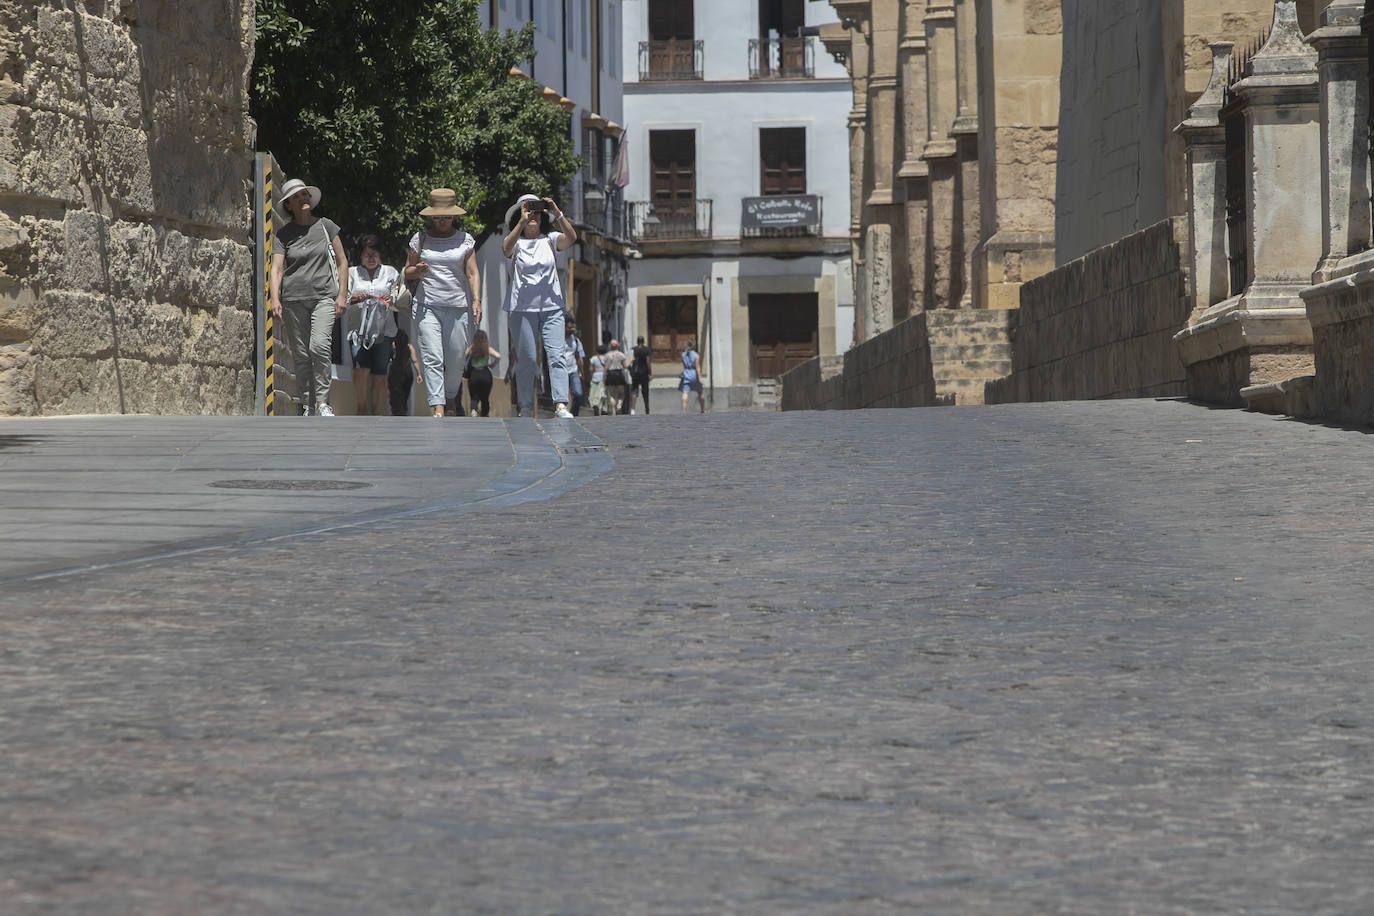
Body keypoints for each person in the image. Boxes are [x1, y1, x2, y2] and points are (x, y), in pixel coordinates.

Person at [270, 177, 348, 417]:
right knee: (302, 354)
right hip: (293, 300)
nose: (303, 199)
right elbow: (277, 269)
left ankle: (323, 402)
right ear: (289, 205)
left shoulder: (326, 226)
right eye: (296, 197)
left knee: (319, 346)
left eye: (304, 194)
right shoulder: (284, 235)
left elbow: (342, 261)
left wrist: (342, 295)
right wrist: (275, 299)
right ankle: (307, 404)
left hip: (323, 297)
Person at [406, 188, 481, 418]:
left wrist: (476, 300)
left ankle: (450, 398)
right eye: (438, 217)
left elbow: (472, 273)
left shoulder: (465, 240)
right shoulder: (420, 239)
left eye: (447, 217)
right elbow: (407, 272)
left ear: (454, 216)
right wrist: (417, 269)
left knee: (457, 358)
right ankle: (437, 405)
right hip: (427, 305)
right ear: (431, 216)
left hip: (458, 307)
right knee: (432, 356)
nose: (442, 221)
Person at [502, 193, 575, 419]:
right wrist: (522, 222)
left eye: (536, 211)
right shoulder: (516, 242)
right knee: (527, 358)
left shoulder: (550, 240)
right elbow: (506, 249)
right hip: (521, 309)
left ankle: (561, 403)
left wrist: (557, 212)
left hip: (551, 307)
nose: (533, 215)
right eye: (528, 210)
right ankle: (524, 407)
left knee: (556, 355)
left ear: (542, 216)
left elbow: (571, 237)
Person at [346, 234, 399, 415]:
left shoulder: (391, 272)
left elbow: (400, 299)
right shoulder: (351, 273)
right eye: (367, 254)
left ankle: (376, 412)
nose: (371, 258)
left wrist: (390, 299)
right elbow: (341, 298)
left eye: (374, 254)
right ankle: (361, 409)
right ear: (361, 255)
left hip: (384, 331)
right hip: (357, 331)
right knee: (360, 368)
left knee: (380, 372)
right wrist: (354, 298)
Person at [463, 329, 502, 417]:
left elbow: (464, 355)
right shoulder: (487, 348)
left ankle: (473, 411)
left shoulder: (472, 348)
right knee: (485, 398)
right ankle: (484, 414)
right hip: (485, 374)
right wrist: (492, 365)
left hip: (474, 374)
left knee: (474, 396)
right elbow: (498, 356)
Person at [388, 325, 420, 416]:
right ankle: (403, 409)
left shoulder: (394, 347)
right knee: (405, 393)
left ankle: (397, 410)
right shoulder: (409, 347)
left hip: (395, 371)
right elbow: (415, 360)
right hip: (407, 371)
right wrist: (418, 374)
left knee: (395, 392)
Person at [603, 338, 631, 415]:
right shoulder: (621, 354)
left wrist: (604, 378)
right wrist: (631, 361)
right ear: (618, 345)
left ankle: (613, 411)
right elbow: (625, 366)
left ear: (610, 346)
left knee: (611, 394)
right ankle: (619, 405)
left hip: (610, 374)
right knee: (621, 393)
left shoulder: (607, 355)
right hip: (619, 374)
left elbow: (605, 367)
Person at [565, 322, 586, 416]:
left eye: (573, 327)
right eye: (569, 328)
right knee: (563, 396)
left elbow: (580, 357)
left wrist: (582, 372)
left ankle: (574, 414)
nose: (572, 329)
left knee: (578, 393)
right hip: (561, 372)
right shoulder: (558, 340)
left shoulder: (576, 341)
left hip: (573, 371)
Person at [680, 338, 705, 413]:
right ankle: (702, 409)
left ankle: (684, 410)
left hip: (686, 373)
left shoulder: (683, 354)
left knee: (685, 392)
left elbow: (684, 365)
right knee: (700, 392)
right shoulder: (696, 355)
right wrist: (700, 378)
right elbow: (697, 367)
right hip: (694, 374)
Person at [630, 335, 652, 415]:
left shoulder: (633, 349)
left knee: (634, 391)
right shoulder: (646, 350)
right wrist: (650, 373)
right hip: (644, 373)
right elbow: (648, 362)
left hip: (635, 373)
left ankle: (632, 410)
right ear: (643, 341)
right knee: (645, 391)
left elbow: (630, 361)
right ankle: (647, 408)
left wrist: (631, 371)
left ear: (637, 341)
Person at [588, 342, 607, 416]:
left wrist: (591, 376)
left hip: (595, 377)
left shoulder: (593, 358)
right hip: (604, 377)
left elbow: (591, 369)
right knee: (603, 394)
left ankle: (595, 404)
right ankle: (604, 409)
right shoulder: (606, 358)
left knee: (594, 392)